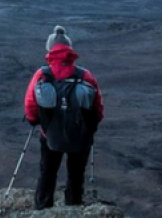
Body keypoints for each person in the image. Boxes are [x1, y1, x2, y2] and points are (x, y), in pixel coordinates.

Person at [23, 25, 104, 209]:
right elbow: (97, 106)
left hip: (50, 134)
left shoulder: (42, 75)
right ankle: (73, 207)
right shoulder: (84, 75)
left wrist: (35, 120)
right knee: (76, 174)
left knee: (47, 172)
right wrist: (91, 127)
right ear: (70, 50)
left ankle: (43, 208)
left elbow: (30, 103)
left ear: (50, 49)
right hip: (79, 134)